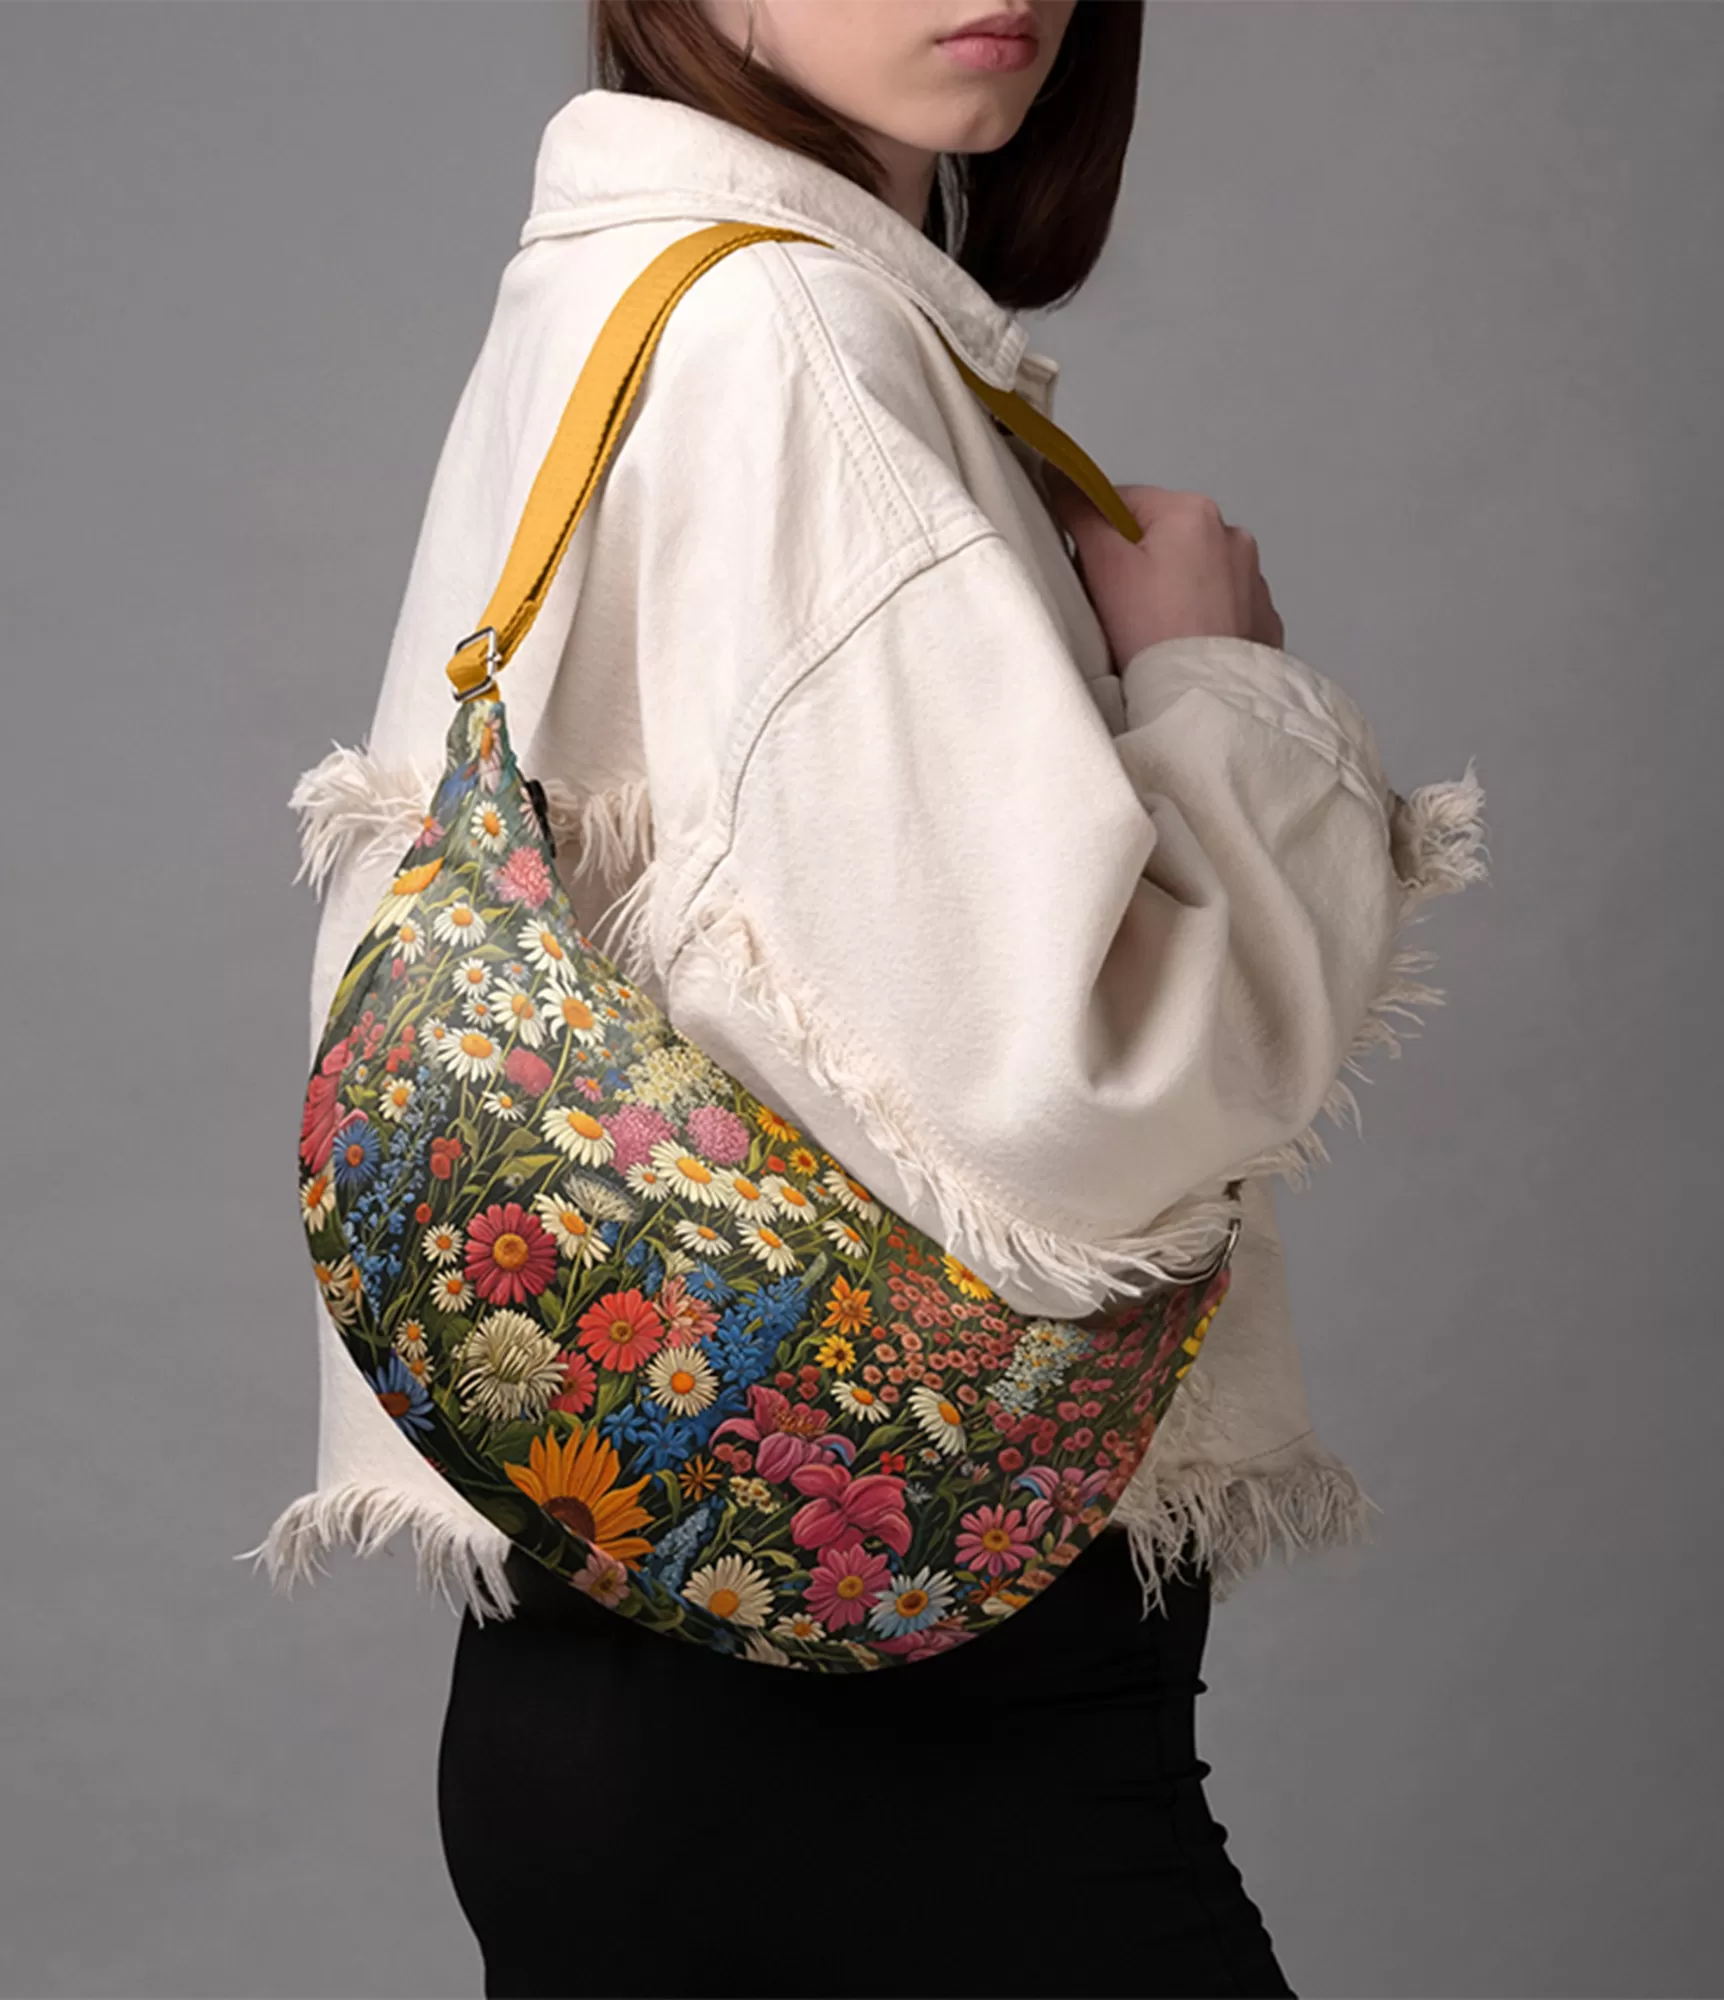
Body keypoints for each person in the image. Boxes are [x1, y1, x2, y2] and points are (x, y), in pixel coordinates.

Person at [243, 2, 1490, 1993]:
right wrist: (1222, 695)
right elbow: (1076, 1089)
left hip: (635, 1691)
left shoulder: (623, 287)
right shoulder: (791, 341)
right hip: (892, 1743)